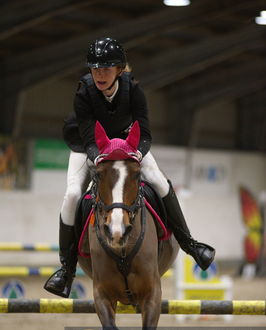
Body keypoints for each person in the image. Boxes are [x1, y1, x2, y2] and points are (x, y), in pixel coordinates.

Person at [44, 37, 215, 298]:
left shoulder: (133, 89)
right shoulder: (84, 91)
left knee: (158, 180)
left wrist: (136, 153)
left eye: (106, 68)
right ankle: (66, 270)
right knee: (72, 195)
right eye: (95, 68)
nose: (99, 74)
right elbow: (90, 138)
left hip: (128, 144)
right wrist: (99, 158)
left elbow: (145, 133)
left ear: (120, 69)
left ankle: (190, 245)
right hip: (87, 146)